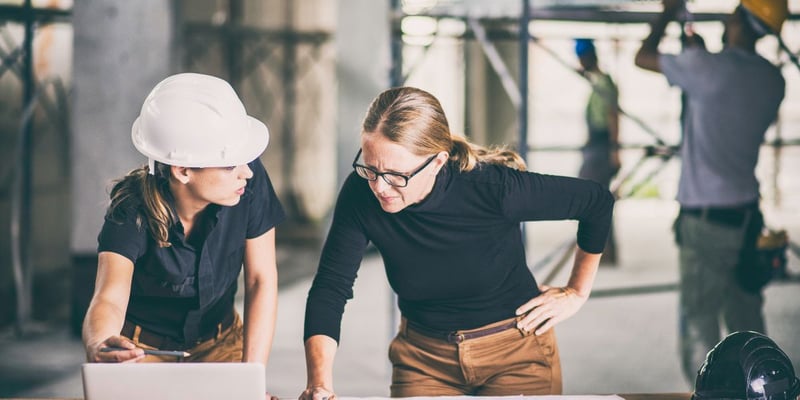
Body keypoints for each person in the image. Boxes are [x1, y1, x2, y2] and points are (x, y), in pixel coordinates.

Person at [300, 86, 614, 398]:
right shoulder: (360, 192)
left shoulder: (492, 188)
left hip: (515, 351)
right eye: (371, 168)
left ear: (437, 162)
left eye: (397, 175)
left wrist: (576, 291)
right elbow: (331, 286)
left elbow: (596, 202)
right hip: (422, 357)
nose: (380, 187)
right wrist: (320, 383)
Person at [82, 73, 286, 369]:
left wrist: (251, 378)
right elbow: (109, 297)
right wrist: (100, 343)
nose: (247, 172)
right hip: (140, 352)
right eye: (230, 165)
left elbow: (260, 280)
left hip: (222, 344)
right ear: (183, 171)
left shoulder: (245, 182)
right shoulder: (131, 210)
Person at [634, 0, 787, 384]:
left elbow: (643, 56)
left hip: (706, 223)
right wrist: (698, 58)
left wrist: (668, 13)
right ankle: (759, 390)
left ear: (740, 21)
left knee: (701, 323)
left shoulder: (708, 69)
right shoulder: (773, 80)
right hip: (748, 218)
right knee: (747, 321)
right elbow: (723, 91)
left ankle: (711, 393)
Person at [574, 38, 620, 265]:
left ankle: (603, 251)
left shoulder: (605, 84)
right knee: (596, 197)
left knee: (595, 199)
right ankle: (604, 251)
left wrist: (615, 151)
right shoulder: (598, 83)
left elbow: (613, 117)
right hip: (595, 146)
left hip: (602, 147)